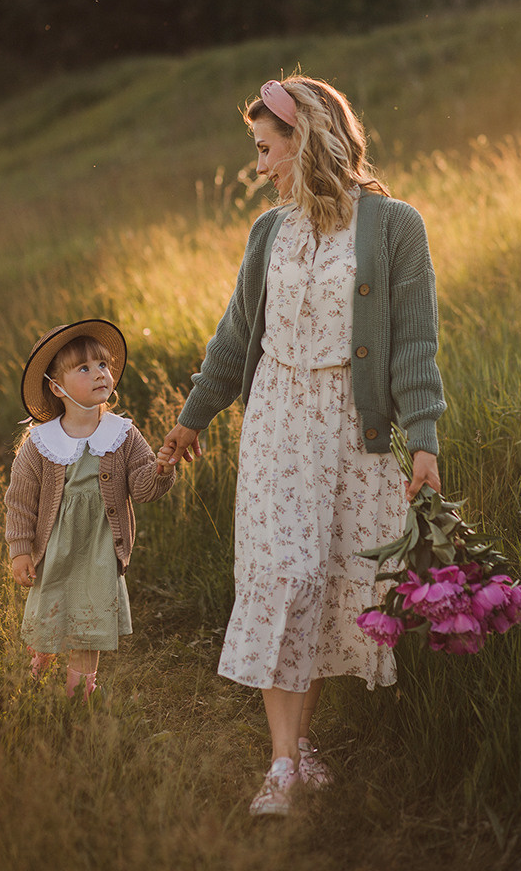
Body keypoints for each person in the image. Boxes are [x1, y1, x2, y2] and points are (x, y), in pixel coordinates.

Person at [162, 75, 446, 815]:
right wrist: (193, 417)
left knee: (324, 589)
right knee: (282, 577)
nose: (258, 167)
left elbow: (415, 343)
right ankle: (281, 766)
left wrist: (424, 439)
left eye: (265, 149)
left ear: (306, 138)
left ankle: (301, 748)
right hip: (278, 426)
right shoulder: (269, 232)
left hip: (356, 435)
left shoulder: (393, 226)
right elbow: (235, 338)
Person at [5, 318, 175, 700]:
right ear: (57, 387)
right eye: (84, 368)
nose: (100, 373)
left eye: (103, 365)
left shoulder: (123, 433)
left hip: (100, 546)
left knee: (90, 617)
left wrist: (162, 469)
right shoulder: (41, 443)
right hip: (56, 545)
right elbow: (19, 500)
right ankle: (41, 656)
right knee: (51, 610)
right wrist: (19, 550)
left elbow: (143, 489)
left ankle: (78, 696)